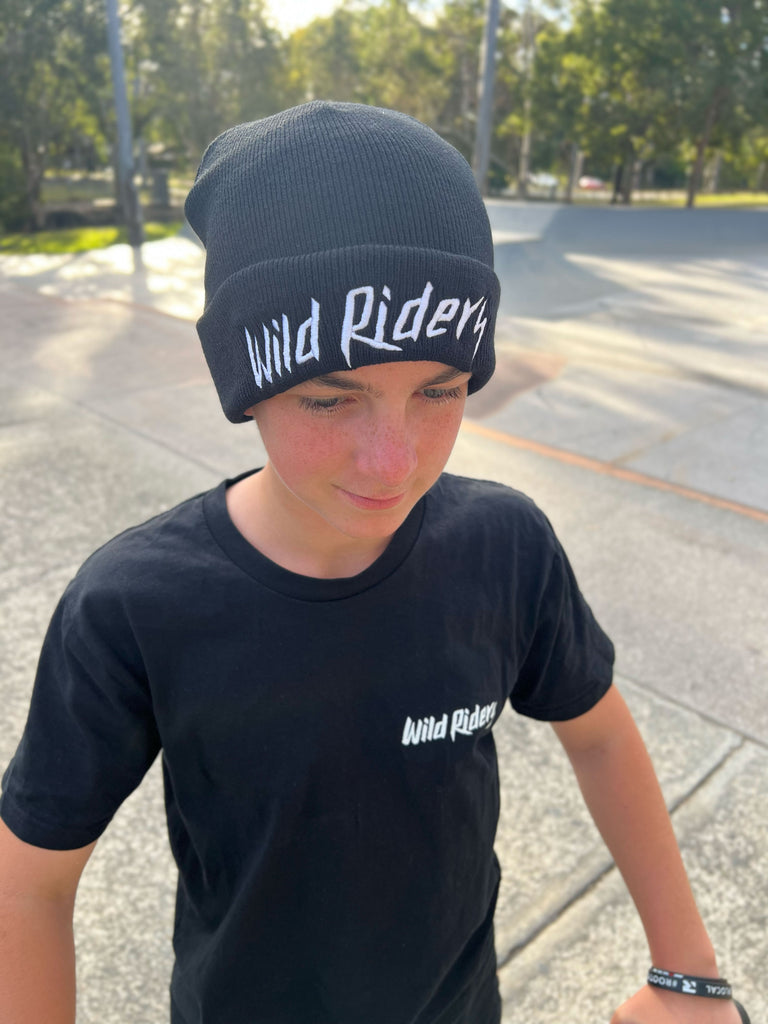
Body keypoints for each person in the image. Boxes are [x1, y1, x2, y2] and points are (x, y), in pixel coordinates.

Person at [0, 102, 748, 1024]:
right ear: (247, 382)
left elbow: (597, 733)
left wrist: (690, 976)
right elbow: (28, 883)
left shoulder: (504, 548)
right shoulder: (134, 608)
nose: (394, 462)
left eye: (439, 390)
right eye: (327, 399)